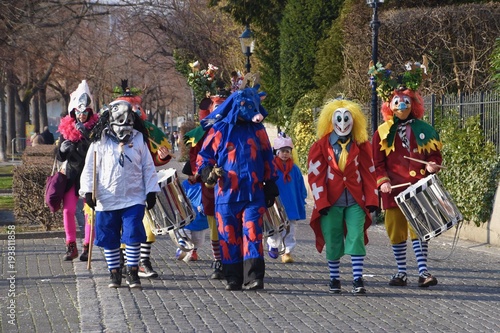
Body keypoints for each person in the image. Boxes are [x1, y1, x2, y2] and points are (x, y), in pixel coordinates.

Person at [197, 75, 279, 291]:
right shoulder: (220, 130)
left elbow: (267, 156)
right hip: (227, 194)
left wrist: (270, 181)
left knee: (253, 232)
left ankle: (254, 276)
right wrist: (207, 172)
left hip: (253, 192)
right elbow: (204, 156)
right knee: (228, 234)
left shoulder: (258, 130)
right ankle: (233, 277)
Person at [371, 60, 442, 288]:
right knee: (396, 231)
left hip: (418, 187)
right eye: (397, 101)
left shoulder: (424, 128)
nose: (401, 105)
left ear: (413, 103)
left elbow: (435, 154)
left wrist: (433, 164)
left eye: (406, 101)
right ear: (389, 105)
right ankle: (401, 272)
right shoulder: (381, 133)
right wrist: (382, 182)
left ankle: (423, 272)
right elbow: (377, 162)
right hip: (393, 190)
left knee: (420, 229)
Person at [79, 100, 159, 289]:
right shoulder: (100, 140)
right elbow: (90, 168)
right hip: (107, 199)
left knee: (133, 233)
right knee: (109, 236)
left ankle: (132, 271)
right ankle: (114, 272)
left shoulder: (138, 139)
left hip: (133, 197)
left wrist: (151, 190)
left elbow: (148, 166)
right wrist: (88, 191)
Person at [307, 98, 378, 294]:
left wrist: (372, 199)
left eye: (347, 118)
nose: (343, 122)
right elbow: (316, 175)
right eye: (339, 118)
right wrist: (321, 201)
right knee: (333, 238)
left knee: (356, 237)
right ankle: (334, 279)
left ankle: (357, 279)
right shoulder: (321, 146)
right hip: (331, 200)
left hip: (355, 199)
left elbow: (369, 173)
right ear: (331, 120)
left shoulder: (362, 145)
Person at [56, 80, 99, 261]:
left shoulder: (97, 130)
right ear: (74, 112)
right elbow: (59, 157)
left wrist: (87, 136)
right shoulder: (67, 130)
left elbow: (98, 150)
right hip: (73, 176)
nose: (81, 116)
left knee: (89, 212)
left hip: (90, 177)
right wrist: (62, 150)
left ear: (89, 113)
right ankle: (70, 245)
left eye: (85, 113)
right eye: (78, 113)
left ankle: (87, 246)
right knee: (68, 210)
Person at [266, 132, 307, 264]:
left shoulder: (294, 169)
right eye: (282, 151)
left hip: (291, 204)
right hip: (276, 203)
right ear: (277, 152)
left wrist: (302, 197)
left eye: (288, 151)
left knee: (290, 229)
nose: (285, 154)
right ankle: (273, 244)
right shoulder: (271, 167)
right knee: (275, 227)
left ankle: (287, 251)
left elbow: (300, 184)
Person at [175, 161, 209, 261]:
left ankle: (193, 251)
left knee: (197, 239)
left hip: (200, 216)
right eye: (189, 175)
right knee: (184, 232)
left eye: (192, 175)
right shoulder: (184, 184)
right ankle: (181, 248)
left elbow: (209, 198)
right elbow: (179, 196)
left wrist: (204, 207)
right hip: (187, 214)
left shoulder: (204, 185)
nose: (191, 177)